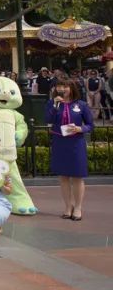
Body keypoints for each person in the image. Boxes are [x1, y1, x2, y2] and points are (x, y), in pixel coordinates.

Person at [47, 78, 94, 221]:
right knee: (63, 177)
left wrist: (81, 128)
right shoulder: (52, 103)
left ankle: (78, 207)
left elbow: (90, 125)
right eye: (59, 86)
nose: (62, 89)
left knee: (77, 176)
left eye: (65, 86)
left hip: (76, 143)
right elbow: (47, 119)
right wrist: (55, 106)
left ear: (72, 88)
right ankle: (68, 206)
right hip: (60, 142)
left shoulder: (81, 105)